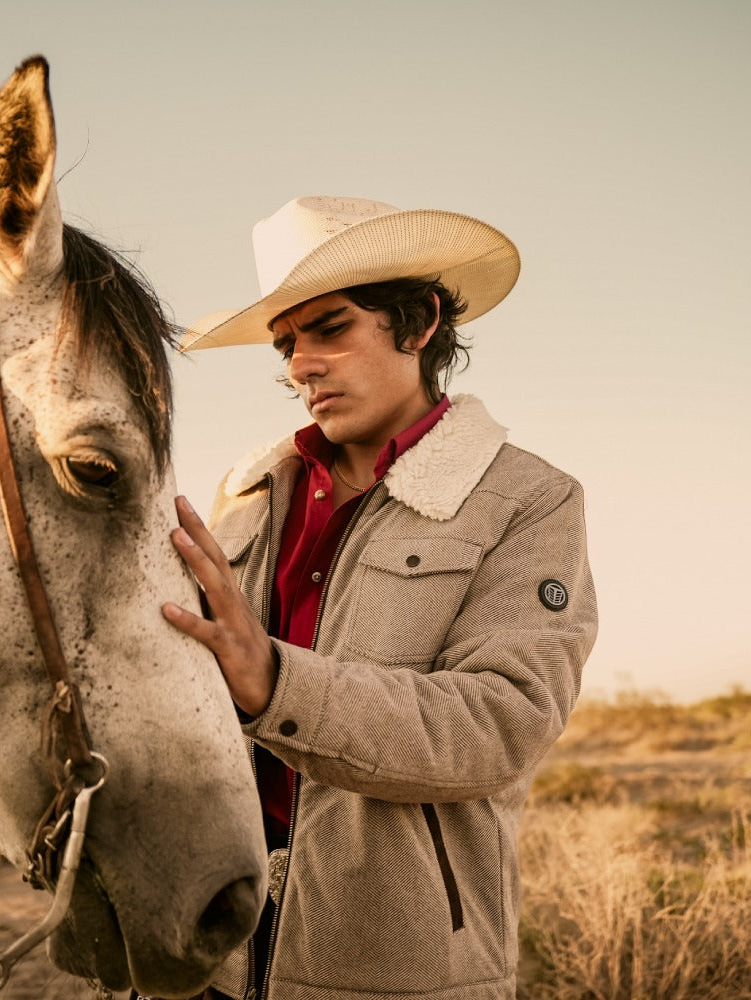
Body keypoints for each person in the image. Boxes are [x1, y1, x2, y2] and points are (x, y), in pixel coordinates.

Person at [160, 196, 598, 1000]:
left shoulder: (527, 498)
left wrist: (275, 683)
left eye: (330, 329)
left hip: (397, 964)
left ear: (420, 321)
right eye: (288, 343)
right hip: (210, 946)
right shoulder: (249, 493)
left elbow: (503, 722)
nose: (300, 364)